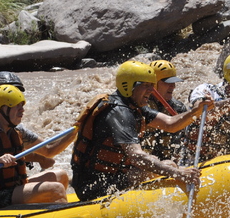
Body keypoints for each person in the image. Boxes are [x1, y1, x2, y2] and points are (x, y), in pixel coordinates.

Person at [71, 60, 211, 201]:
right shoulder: (119, 112)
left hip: (113, 176)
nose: (151, 90)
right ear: (128, 86)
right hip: (94, 186)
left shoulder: (135, 106)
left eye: (151, 85)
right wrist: (177, 173)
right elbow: (137, 156)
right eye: (145, 85)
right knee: (168, 166)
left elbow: (170, 124)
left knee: (163, 163)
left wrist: (196, 111)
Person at [0, 85, 71, 210]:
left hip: (10, 188)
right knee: (55, 189)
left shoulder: (17, 130)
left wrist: (75, 132)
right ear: (1, 109)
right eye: (17, 106)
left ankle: (42, 214)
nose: (22, 110)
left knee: (61, 176)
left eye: (22, 106)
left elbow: (49, 150)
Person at [141, 60, 190, 162]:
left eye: (173, 82)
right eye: (167, 82)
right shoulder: (140, 106)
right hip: (145, 163)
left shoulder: (179, 108)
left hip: (169, 163)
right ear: (153, 84)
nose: (173, 86)